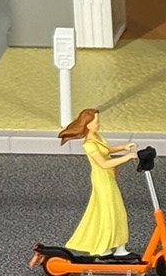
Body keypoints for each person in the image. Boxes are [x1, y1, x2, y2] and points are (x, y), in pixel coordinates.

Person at [58, 108, 138, 256]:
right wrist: (125, 158)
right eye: (96, 122)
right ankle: (104, 247)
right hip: (102, 179)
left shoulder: (97, 137)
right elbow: (103, 164)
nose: (99, 124)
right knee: (108, 212)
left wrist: (123, 147)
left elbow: (106, 150)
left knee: (117, 211)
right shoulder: (89, 144)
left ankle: (119, 247)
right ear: (88, 125)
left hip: (109, 177)